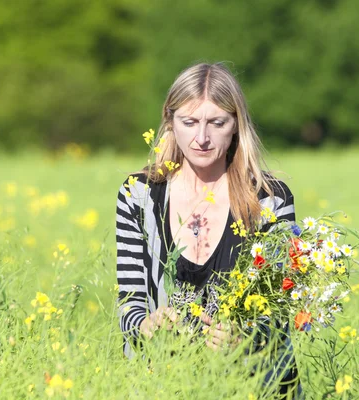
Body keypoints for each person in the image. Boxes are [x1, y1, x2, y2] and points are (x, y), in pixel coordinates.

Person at [116, 62, 302, 397]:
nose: (201, 138)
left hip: (255, 384)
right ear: (169, 121)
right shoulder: (138, 195)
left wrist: (244, 337)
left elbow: (281, 305)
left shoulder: (271, 200)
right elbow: (129, 301)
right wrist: (146, 325)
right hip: (164, 383)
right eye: (189, 122)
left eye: (217, 123)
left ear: (236, 126)